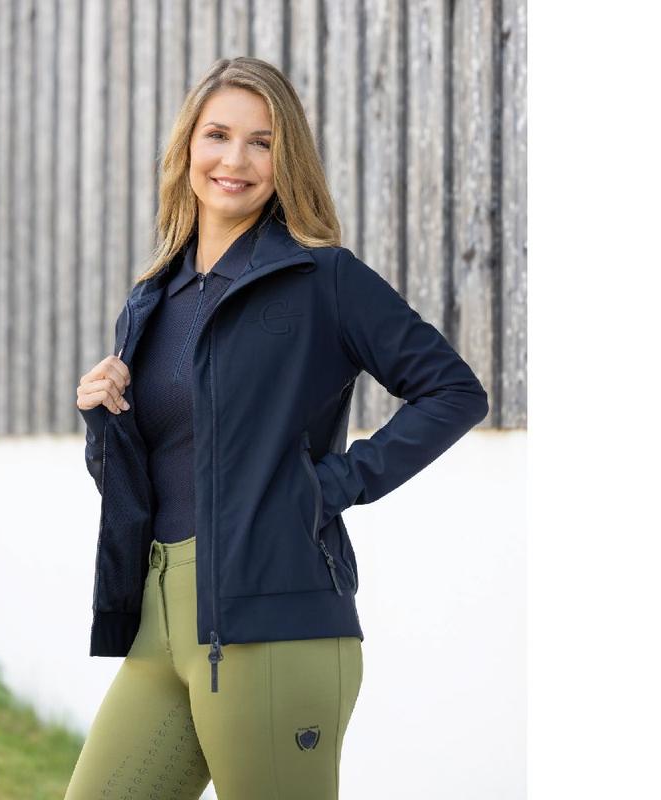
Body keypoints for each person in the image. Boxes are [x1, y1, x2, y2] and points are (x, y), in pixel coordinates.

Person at [67, 56, 488, 800]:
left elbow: (453, 392)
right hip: (161, 623)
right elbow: (157, 475)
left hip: (274, 625)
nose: (235, 160)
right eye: (218, 135)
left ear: (284, 160)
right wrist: (105, 421)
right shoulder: (151, 300)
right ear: (186, 148)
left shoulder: (322, 279)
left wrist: (328, 486)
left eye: (261, 142)